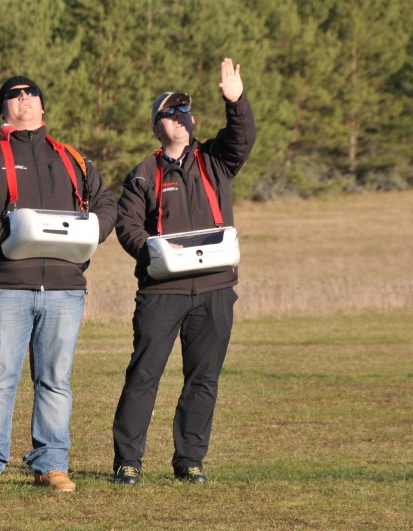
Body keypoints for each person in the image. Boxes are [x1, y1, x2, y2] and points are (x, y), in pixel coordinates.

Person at [0, 75, 117, 493]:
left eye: (31, 93)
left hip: (65, 287)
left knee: (56, 381)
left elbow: (106, 203)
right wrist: (5, 232)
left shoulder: (72, 158)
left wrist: (92, 233)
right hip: (5, 284)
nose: (23, 98)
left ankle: (52, 464)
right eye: (14, 95)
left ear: (42, 106)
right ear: (2, 109)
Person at [111, 58, 256, 485]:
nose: (179, 116)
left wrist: (236, 101)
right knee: (144, 375)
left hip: (215, 289)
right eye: (170, 112)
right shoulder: (143, 174)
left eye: (184, 110)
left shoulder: (215, 160)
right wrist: (155, 253)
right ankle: (127, 462)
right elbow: (127, 226)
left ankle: (190, 460)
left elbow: (242, 137)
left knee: (204, 379)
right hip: (161, 292)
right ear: (156, 126)